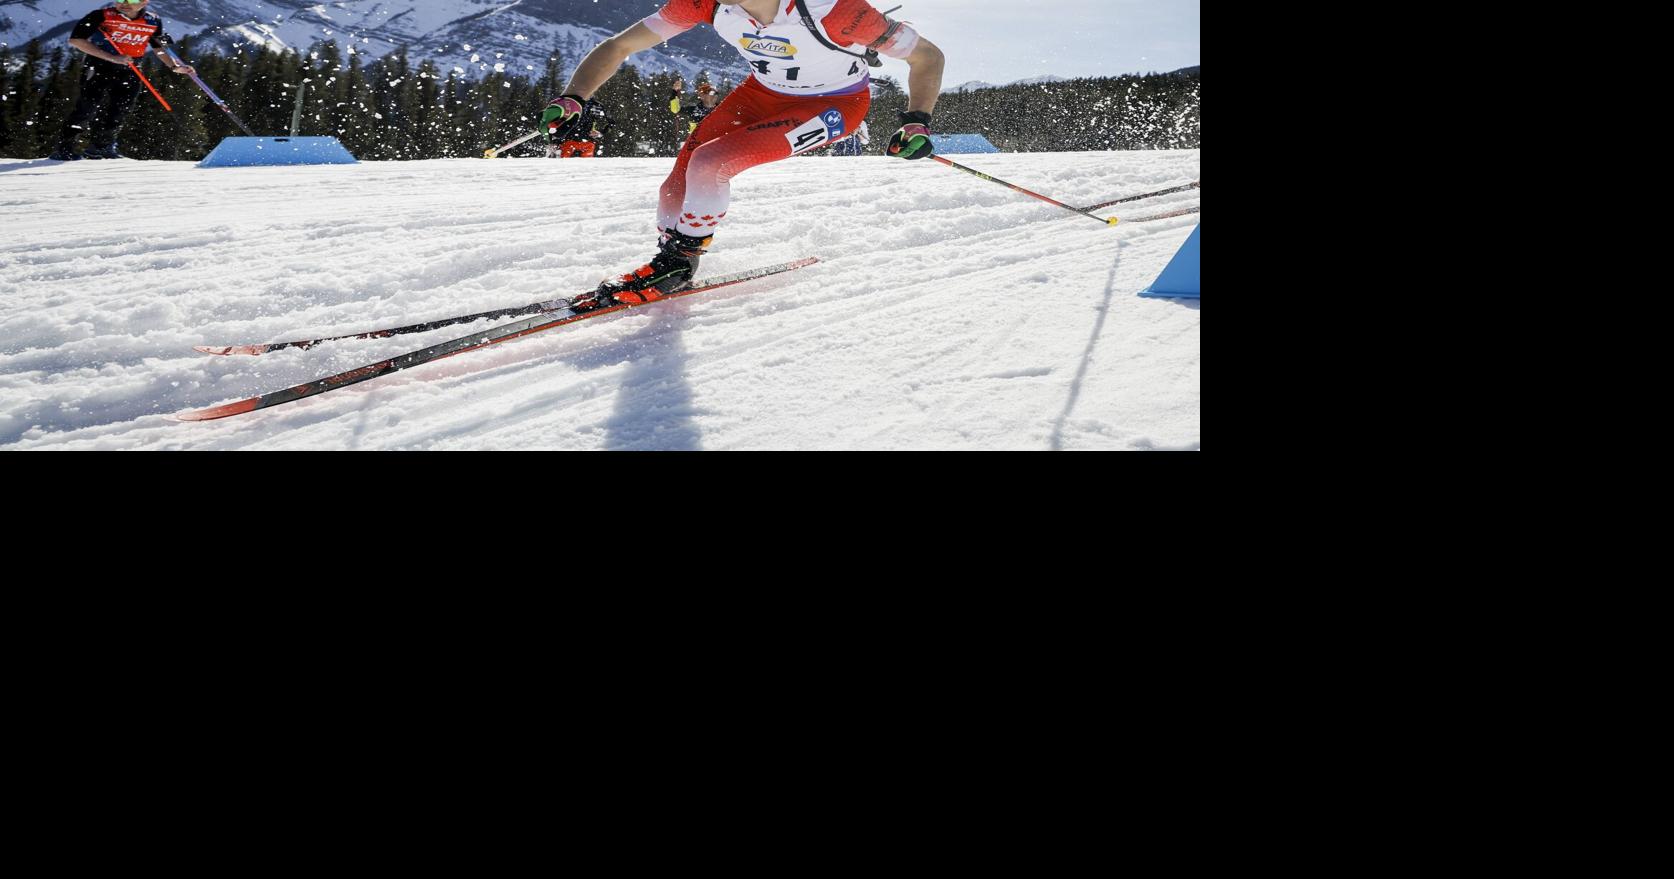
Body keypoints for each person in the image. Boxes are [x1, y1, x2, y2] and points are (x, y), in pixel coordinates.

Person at [544, 0, 943, 308]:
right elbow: (620, 45)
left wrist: (917, 120)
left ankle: (678, 263)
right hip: (760, 95)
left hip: (833, 104)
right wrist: (575, 97)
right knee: (676, 187)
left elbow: (927, 56)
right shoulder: (704, 4)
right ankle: (671, 259)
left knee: (710, 163)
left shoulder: (838, 11)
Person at [48, 0, 195, 161]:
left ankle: (101, 147)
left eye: (131, 0)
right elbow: (76, 40)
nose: (124, 3)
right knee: (87, 107)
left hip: (131, 69)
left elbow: (158, 48)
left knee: (120, 109)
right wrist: (111, 57)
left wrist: (174, 67)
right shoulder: (101, 16)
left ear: (144, 2)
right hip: (99, 66)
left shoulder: (153, 20)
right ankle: (65, 148)